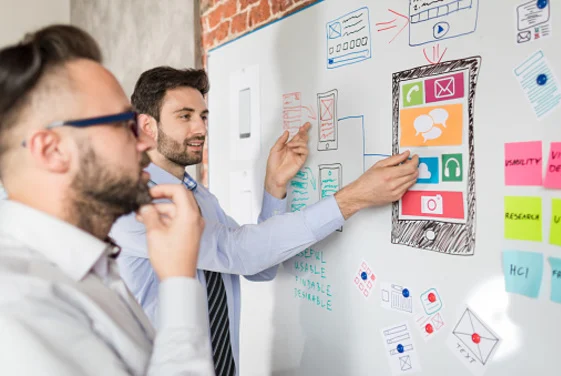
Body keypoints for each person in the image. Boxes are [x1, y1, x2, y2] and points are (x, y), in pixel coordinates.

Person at [110, 67, 419, 375]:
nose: (201, 128)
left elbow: (258, 266)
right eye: (185, 116)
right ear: (147, 126)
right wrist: (354, 197)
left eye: (203, 116)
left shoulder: (198, 196)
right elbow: (240, 253)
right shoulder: (135, 205)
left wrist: (274, 187)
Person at [0, 25, 215, 375]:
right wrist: (178, 281)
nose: (145, 142)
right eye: (123, 124)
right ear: (52, 150)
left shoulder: (88, 263)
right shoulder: (16, 305)